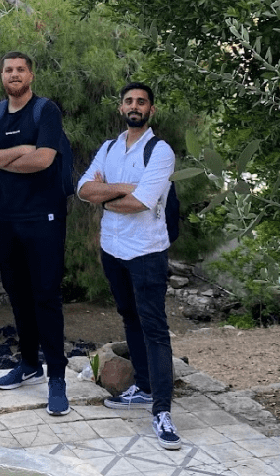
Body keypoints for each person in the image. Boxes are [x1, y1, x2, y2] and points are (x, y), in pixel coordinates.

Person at [77, 82, 180, 450]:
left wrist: (105, 198)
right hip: (113, 249)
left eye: (141, 102)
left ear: (151, 110)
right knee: (129, 317)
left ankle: (163, 411)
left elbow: (141, 202)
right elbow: (82, 188)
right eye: (128, 101)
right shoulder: (108, 148)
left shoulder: (160, 151)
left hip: (147, 252)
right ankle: (144, 388)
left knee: (154, 327)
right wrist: (122, 188)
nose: (134, 106)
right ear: (121, 109)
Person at [0, 51, 70, 416]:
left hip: (44, 217)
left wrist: (5, 158)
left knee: (46, 296)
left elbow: (44, 159)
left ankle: (57, 378)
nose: (14, 74)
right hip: (6, 218)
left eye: (20, 69)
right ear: (2, 75)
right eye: (8, 69)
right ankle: (30, 364)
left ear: (31, 74)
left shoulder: (46, 111)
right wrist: (19, 151)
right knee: (18, 293)